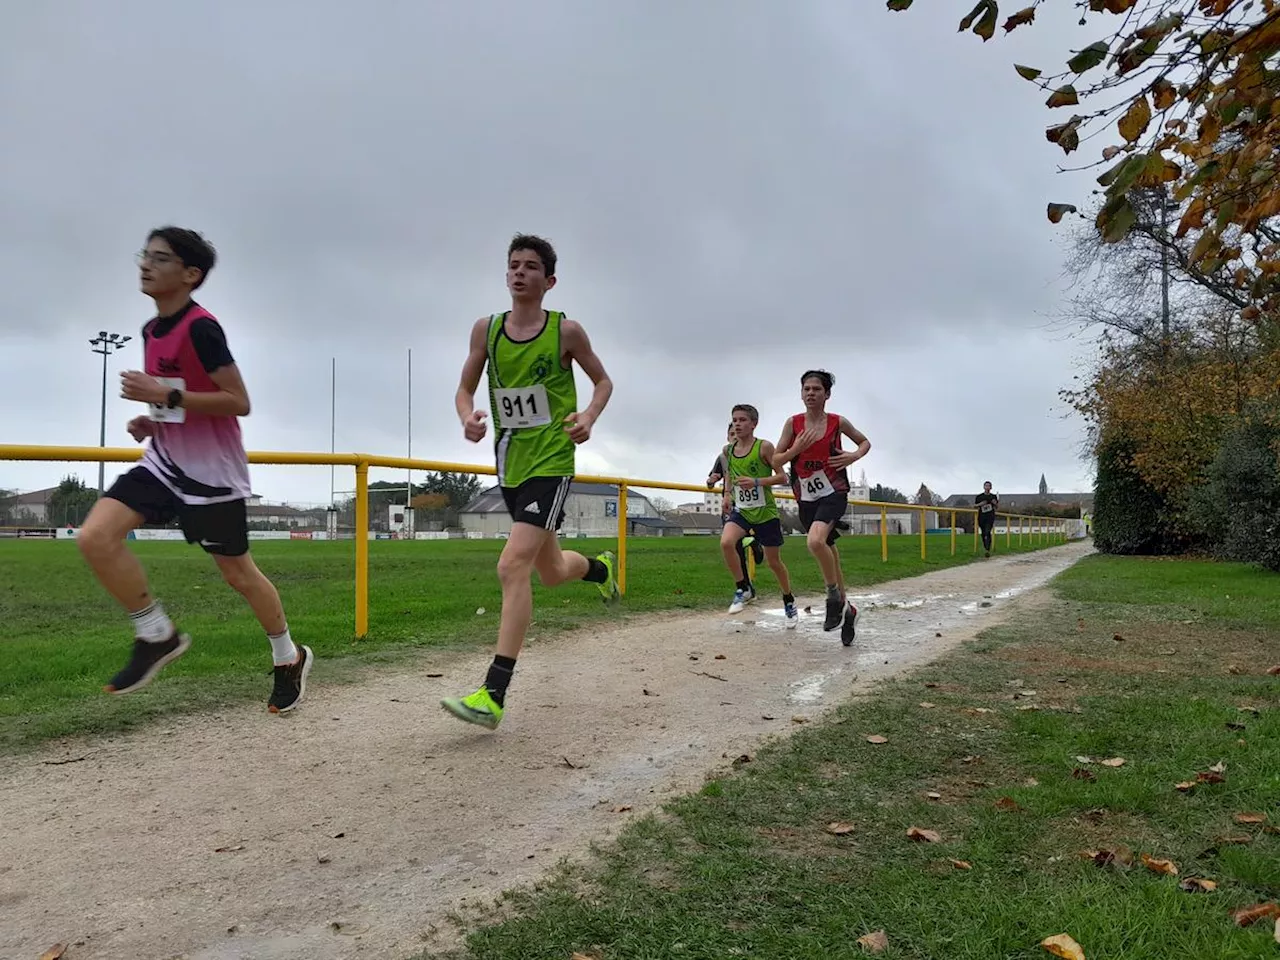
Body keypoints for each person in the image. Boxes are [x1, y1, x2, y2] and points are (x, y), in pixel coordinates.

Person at [76, 226, 312, 713]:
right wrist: (154, 417)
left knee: (239, 576)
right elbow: (178, 396)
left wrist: (163, 396)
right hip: (163, 463)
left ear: (190, 274)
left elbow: (237, 401)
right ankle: (155, 633)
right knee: (95, 537)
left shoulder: (202, 328)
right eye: (145, 254)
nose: (145, 264)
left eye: (160, 259)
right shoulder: (150, 330)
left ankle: (287, 656)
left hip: (211, 475)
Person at [443, 234, 619, 731]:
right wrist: (467, 418)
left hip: (552, 460)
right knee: (552, 570)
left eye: (531, 267)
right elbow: (464, 387)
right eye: (513, 265)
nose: (520, 273)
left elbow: (603, 381)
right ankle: (602, 572)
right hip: (511, 463)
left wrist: (589, 414)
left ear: (549, 280)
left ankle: (493, 694)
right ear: (506, 275)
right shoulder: (487, 331)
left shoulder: (566, 332)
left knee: (511, 565)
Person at [772, 369, 870, 646]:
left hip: (834, 491)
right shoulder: (793, 423)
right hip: (805, 495)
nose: (811, 393)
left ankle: (832, 596)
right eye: (806, 389)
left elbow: (864, 442)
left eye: (816, 389)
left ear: (827, 394)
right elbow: (777, 460)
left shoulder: (837, 422)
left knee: (815, 542)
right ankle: (848, 610)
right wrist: (795, 449)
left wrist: (853, 456)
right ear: (801, 393)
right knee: (828, 551)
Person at [716, 404, 798, 625]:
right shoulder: (728, 451)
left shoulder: (764, 448)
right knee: (726, 542)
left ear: (754, 424)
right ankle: (743, 587)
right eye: (734, 420)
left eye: (742, 420)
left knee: (774, 562)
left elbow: (783, 478)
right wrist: (726, 494)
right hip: (742, 510)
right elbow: (730, 475)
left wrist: (756, 482)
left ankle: (788, 599)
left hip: (766, 513)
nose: (737, 424)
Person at [707, 422, 763, 589]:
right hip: (731, 504)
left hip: (753, 504)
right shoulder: (724, 456)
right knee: (733, 546)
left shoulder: (754, 452)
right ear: (727, 437)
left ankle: (754, 541)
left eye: (737, 435)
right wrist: (712, 480)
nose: (735, 438)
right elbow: (716, 473)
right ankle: (745, 586)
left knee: (750, 534)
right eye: (731, 435)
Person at [975, 480, 999, 557]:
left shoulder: (993, 496)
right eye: (986, 486)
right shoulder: (979, 497)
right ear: (984, 487)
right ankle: (986, 546)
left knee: (987, 531)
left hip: (990, 517)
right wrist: (980, 504)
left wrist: (995, 503)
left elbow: (997, 507)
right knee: (983, 533)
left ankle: (987, 549)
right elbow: (974, 506)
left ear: (991, 487)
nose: (987, 487)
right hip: (981, 517)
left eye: (989, 486)